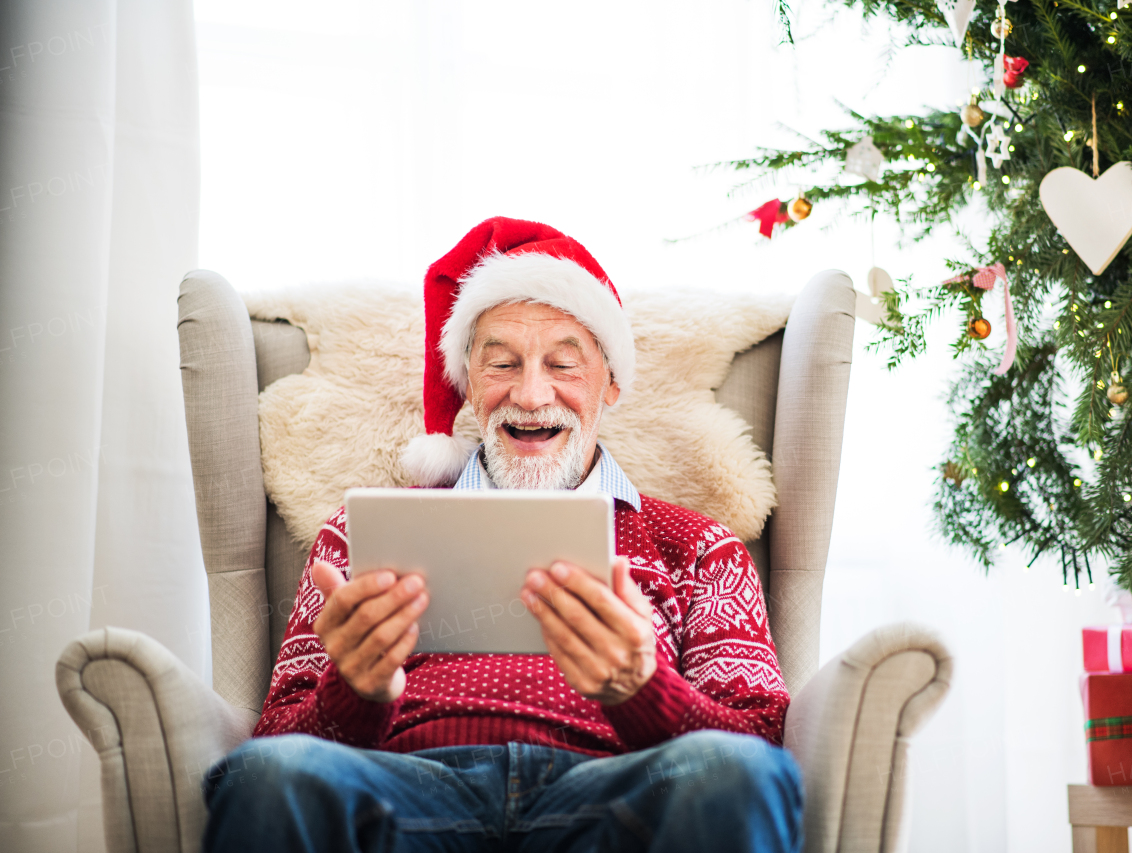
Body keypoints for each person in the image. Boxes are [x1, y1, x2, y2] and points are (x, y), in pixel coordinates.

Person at [203, 217, 803, 853]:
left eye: (563, 364)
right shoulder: (362, 532)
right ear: (468, 383)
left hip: (616, 799)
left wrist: (642, 690)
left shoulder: (696, 545)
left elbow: (762, 745)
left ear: (612, 384)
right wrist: (351, 693)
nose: (531, 392)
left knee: (736, 773)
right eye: (502, 363)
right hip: (404, 794)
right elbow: (272, 746)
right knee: (268, 779)